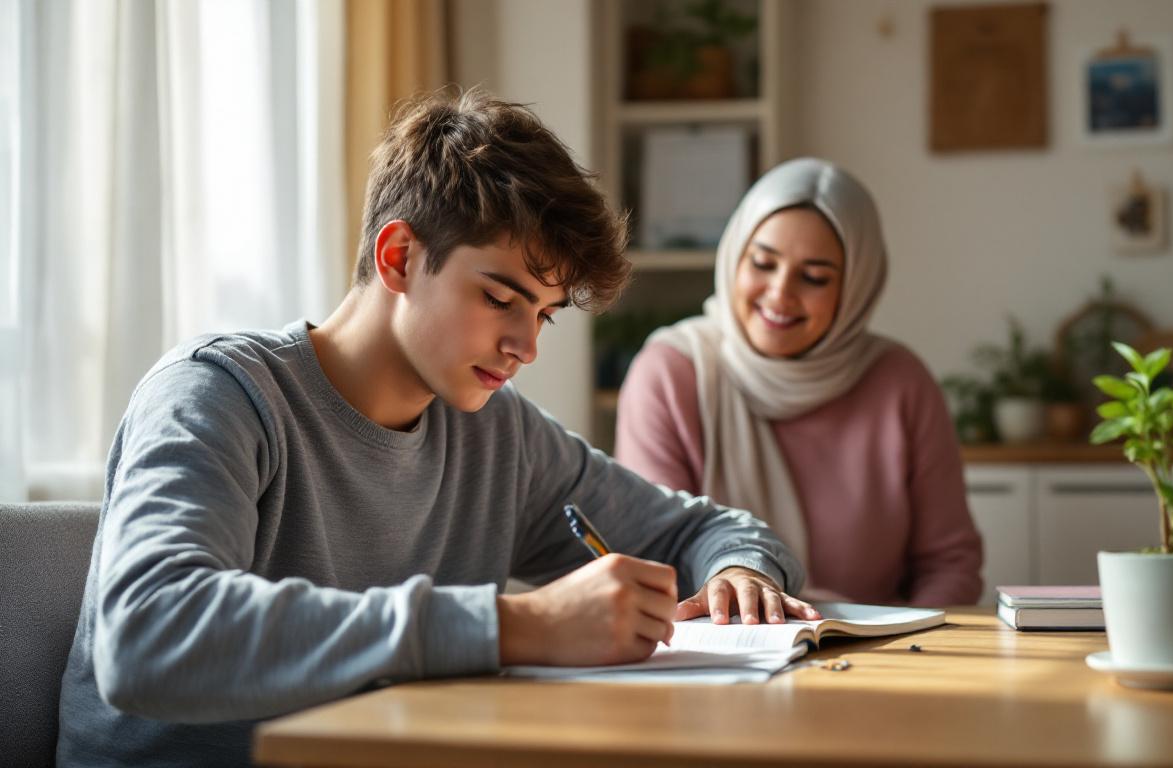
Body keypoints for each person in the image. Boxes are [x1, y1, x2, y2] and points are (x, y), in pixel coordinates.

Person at [56, 88, 817, 768]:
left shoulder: (497, 435)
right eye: (500, 297)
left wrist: (738, 575)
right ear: (398, 256)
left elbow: (701, 531)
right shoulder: (215, 395)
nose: (527, 346)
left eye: (544, 314)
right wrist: (512, 625)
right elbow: (148, 635)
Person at [616, 158, 982, 607]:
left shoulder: (900, 383)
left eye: (814, 277)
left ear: (855, 288)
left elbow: (949, 563)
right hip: (722, 653)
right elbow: (655, 555)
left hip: (878, 659)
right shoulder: (671, 374)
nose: (780, 293)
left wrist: (907, 649)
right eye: (764, 263)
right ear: (735, 257)